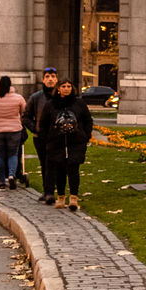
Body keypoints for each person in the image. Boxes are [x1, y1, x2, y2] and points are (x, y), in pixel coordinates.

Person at [36, 78, 95, 211]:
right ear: (58, 88)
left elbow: (87, 120)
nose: (67, 88)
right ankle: (61, 197)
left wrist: (86, 135)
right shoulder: (51, 104)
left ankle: (73, 198)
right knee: (60, 171)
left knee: (74, 170)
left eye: (69, 86)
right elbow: (44, 123)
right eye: (64, 86)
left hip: (76, 142)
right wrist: (47, 138)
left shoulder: (79, 103)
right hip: (56, 142)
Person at [0, 76, 28, 190]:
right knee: (12, 154)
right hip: (14, 130)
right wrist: (18, 120)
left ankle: (1, 181)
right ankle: (12, 175)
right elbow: (24, 112)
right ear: (11, 85)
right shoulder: (18, 98)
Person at [24, 68, 60, 202]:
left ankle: (50, 191)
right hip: (40, 137)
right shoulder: (35, 97)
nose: (50, 79)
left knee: (53, 163)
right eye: (48, 77)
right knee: (44, 163)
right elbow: (26, 116)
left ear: (56, 79)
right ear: (43, 79)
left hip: (57, 137)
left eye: (53, 76)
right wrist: (35, 129)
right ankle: (47, 191)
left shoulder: (61, 96)